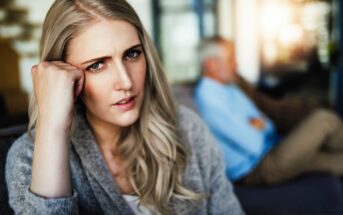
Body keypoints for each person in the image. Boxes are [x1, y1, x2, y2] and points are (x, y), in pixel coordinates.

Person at [5, 1, 244, 214]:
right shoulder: (27, 157)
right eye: (97, 65)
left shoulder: (187, 127)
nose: (126, 82)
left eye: (132, 54)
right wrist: (53, 127)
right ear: (64, 75)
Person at [195, 36, 343, 185]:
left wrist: (259, 125)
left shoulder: (229, 87)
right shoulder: (209, 98)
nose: (236, 64)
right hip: (258, 168)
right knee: (324, 120)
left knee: (339, 162)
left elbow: (267, 124)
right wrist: (257, 125)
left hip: (272, 147)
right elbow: (255, 145)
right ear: (211, 64)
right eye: (231, 59)